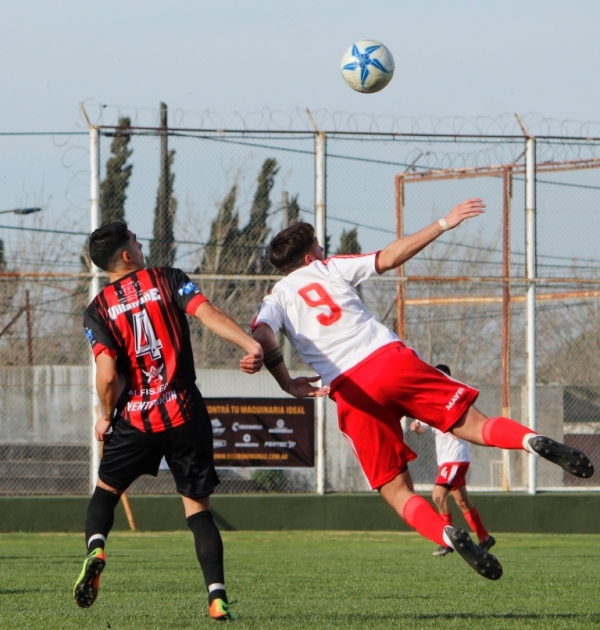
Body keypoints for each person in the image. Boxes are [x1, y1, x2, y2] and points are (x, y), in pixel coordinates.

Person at [251, 198, 593, 582]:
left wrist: (283, 378)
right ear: (311, 258)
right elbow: (391, 256)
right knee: (476, 426)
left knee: (396, 491)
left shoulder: (276, 297)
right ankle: (534, 442)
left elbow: (262, 333)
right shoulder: (330, 269)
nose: (323, 250)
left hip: (351, 390)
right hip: (389, 361)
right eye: (318, 246)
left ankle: (446, 533)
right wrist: (444, 223)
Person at [75, 222, 263, 620]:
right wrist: (250, 345)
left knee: (105, 494)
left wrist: (106, 418)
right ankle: (216, 597)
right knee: (198, 512)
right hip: (184, 413)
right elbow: (207, 313)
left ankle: (96, 547)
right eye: (137, 241)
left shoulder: (98, 310)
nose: (142, 245)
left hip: (136, 420)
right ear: (127, 254)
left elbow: (107, 374)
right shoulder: (167, 278)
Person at [408, 364, 495, 557]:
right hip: (446, 460)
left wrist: (458, 429)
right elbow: (423, 427)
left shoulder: (453, 398)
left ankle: (446, 540)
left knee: (438, 495)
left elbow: (467, 422)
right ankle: (484, 538)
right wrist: (416, 427)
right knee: (462, 502)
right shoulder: (430, 400)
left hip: (456, 458)